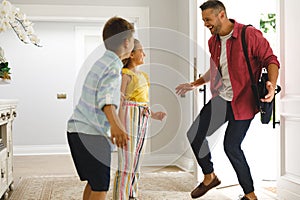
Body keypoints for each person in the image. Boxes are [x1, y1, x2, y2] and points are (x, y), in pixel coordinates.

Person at [175, 1, 279, 200]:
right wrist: (195, 83)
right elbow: (216, 68)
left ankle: (250, 195)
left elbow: (271, 59)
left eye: (208, 19)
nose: (206, 24)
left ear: (221, 15)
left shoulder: (249, 35)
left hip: (244, 101)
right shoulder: (213, 41)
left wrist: (272, 85)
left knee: (231, 146)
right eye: (204, 20)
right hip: (222, 98)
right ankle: (210, 177)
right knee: (195, 134)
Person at [67, 16, 135, 200]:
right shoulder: (113, 66)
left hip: (76, 131)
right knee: (101, 187)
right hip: (91, 134)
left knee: (94, 182)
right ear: (127, 42)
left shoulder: (101, 62)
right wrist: (116, 125)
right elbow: (105, 99)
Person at [113, 39, 167, 200]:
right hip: (129, 115)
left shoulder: (143, 75)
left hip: (142, 116)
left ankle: (132, 194)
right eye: (141, 51)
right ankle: (120, 196)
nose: (144, 54)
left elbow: (143, 101)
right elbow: (121, 101)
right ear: (131, 54)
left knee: (137, 159)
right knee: (127, 160)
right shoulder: (125, 75)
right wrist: (119, 126)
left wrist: (154, 114)